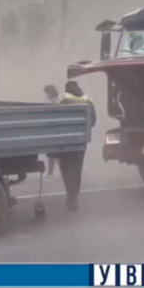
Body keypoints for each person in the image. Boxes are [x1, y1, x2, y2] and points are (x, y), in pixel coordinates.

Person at [58, 80, 97, 211]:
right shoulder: (88, 102)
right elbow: (93, 121)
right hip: (80, 142)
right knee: (77, 168)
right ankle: (74, 195)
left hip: (65, 141)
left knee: (65, 168)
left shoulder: (64, 102)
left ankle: (70, 193)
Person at [43, 85, 60, 178]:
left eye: (46, 93)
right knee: (56, 154)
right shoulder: (58, 100)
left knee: (52, 154)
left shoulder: (52, 102)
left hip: (53, 131)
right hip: (56, 130)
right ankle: (62, 172)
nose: (45, 95)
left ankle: (50, 173)